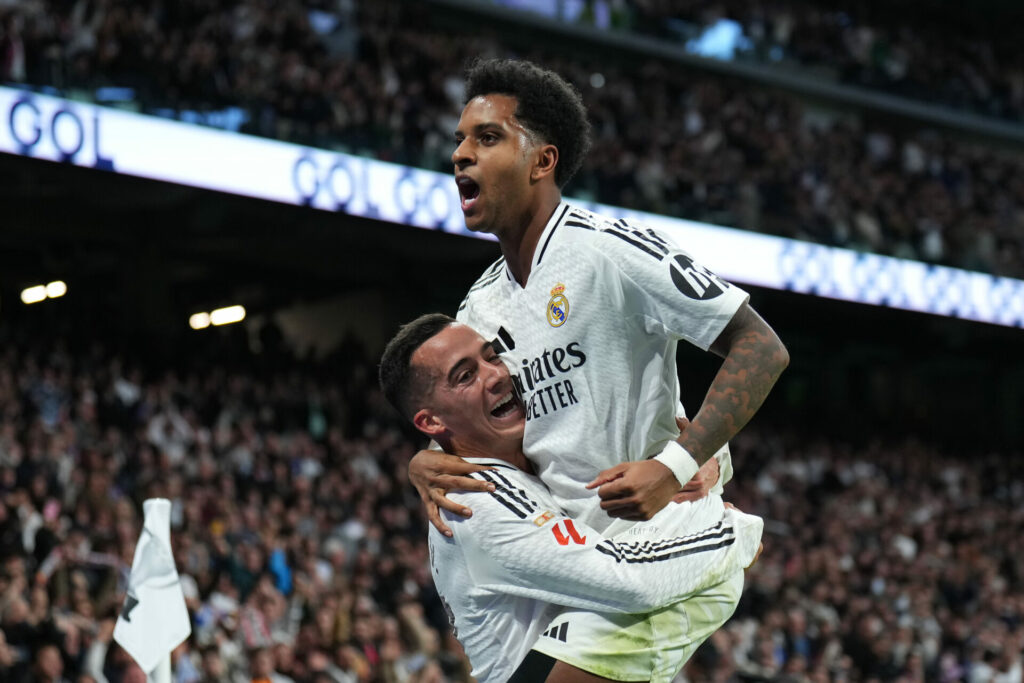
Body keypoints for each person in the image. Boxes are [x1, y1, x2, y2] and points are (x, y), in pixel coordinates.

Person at [406, 57, 789, 682]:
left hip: (662, 548)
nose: (461, 155)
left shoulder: (610, 249)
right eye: (459, 140)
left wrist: (678, 464)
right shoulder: (479, 306)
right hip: (582, 561)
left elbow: (761, 347)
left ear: (542, 161)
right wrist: (424, 456)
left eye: (487, 137)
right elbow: (466, 421)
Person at [380, 314, 764, 683]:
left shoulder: (533, 459)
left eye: (492, 356)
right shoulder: (474, 500)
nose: (497, 375)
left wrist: (701, 458)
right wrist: (735, 535)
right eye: (466, 376)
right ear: (431, 422)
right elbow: (629, 578)